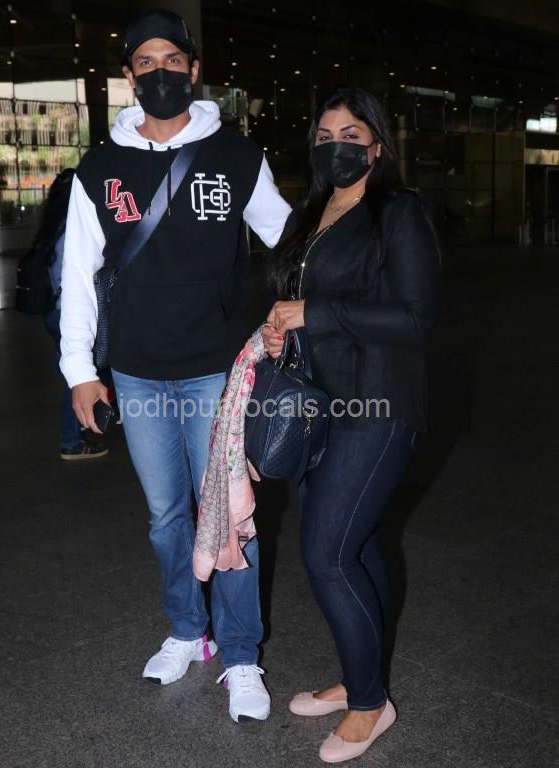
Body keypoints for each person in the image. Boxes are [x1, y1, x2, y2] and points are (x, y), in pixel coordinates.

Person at [60, 9, 291, 723]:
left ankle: (242, 654)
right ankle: (189, 631)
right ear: (128, 75)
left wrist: (305, 309)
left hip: (215, 371)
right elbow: (78, 274)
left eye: (172, 60)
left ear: (193, 70)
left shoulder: (237, 157)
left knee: (228, 514)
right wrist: (79, 371)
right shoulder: (99, 168)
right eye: (145, 61)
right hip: (136, 371)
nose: (159, 72)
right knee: (166, 517)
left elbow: (286, 239)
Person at [263, 87, 440, 763]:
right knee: (356, 549)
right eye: (323, 135)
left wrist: (316, 314)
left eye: (349, 134)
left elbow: (416, 318)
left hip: (377, 404)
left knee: (327, 554)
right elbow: (294, 298)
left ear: (376, 145)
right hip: (316, 405)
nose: (334, 145)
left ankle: (371, 704)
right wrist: (282, 328)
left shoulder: (397, 211)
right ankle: (359, 675)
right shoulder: (309, 213)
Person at [38, 169, 108, 460]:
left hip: (52, 311)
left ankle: (77, 433)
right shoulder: (73, 232)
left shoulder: (51, 228)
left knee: (73, 375)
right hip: (68, 313)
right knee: (78, 378)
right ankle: (72, 441)